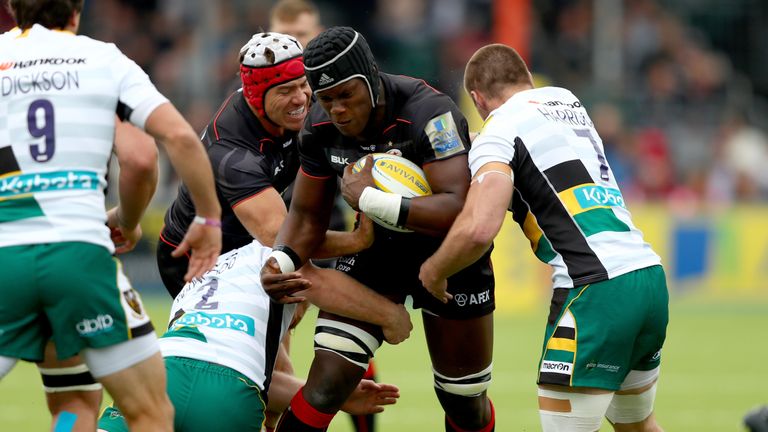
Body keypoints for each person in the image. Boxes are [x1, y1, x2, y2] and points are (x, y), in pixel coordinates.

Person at [418, 43, 669, 432]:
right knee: (638, 426)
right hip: (647, 277)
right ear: (529, 81)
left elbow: (480, 227)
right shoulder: (567, 101)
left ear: (477, 98)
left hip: (594, 290)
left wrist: (434, 270)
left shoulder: (497, 131)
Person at [0, 1, 223, 431]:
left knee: (71, 401)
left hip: (6, 259)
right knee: (149, 413)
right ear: (77, 9)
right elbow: (148, 154)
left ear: (12, 7)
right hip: (78, 260)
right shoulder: (103, 59)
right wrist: (204, 218)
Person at [261, 26, 496, 432]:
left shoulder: (430, 113)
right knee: (325, 385)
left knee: (463, 404)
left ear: (370, 76)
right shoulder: (318, 127)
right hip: (376, 252)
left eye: (346, 95)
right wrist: (281, 259)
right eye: (326, 99)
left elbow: (457, 206)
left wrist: (370, 200)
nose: (336, 109)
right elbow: (305, 216)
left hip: (448, 256)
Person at [96, 235, 409, 432]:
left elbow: (207, 365)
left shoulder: (205, 276)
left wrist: (340, 399)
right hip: (229, 394)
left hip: (156, 373)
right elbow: (251, 377)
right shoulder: (281, 266)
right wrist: (389, 315)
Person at [270, 3, 382, 431]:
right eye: (284, 36)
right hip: (279, 225)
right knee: (279, 339)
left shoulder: (336, 95)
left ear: (316, 34)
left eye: (300, 34)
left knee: (346, 336)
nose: (293, 45)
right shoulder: (269, 99)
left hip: (329, 221)